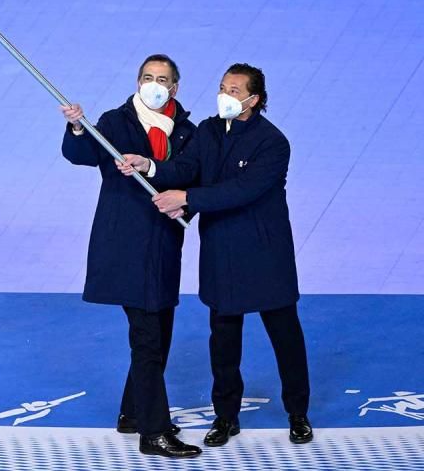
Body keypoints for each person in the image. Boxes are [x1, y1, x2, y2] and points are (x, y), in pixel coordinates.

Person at [120, 63, 313, 446]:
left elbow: (242, 190)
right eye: (223, 87)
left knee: (285, 336)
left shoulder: (273, 143)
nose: (225, 95)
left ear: (254, 99)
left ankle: (298, 413)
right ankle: (226, 417)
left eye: (235, 90)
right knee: (223, 341)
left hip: (265, 256)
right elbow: (187, 168)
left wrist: (188, 200)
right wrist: (151, 166)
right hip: (221, 253)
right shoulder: (208, 131)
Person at [61, 54, 200, 459]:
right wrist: (76, 125)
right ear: (137, 81)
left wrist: (180, 199)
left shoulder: (188, 132)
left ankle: (133, 413)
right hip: (124, 246)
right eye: (146, 77)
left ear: (174, 87)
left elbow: (192, 177)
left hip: (163, 246)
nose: (153, 84)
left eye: (162, 79)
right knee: (148, 336)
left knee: (159, 332)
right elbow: (81, 154)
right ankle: (153, 432)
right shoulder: (115, 122)